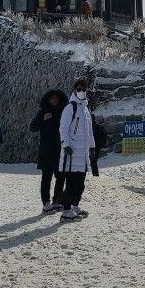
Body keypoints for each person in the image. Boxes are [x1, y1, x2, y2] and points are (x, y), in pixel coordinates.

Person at [58, 77, 95, 223]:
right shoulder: (70, 107)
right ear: (74, 90)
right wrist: (65, 144)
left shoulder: (85, 109)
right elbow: (63, 127)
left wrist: (92, 147)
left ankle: (75, 206)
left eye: (83, 89)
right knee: (71, 183)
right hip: (72, 152)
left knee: (80, 183)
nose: (81, 91)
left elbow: (90, 131)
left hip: (83, 153)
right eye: (78, 89)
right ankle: (66, 211)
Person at [30, 89, 68, 212]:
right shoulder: (43, 112)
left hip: (60, 150)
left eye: (56, 98)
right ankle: (46, 203)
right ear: (48, 100)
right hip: (46, 150)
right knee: (46, 178)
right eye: (52, 98)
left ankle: (57, 200)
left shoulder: (64, 113)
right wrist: (43, 119)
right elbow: (33, 127)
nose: (54, 100)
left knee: (61, 177)